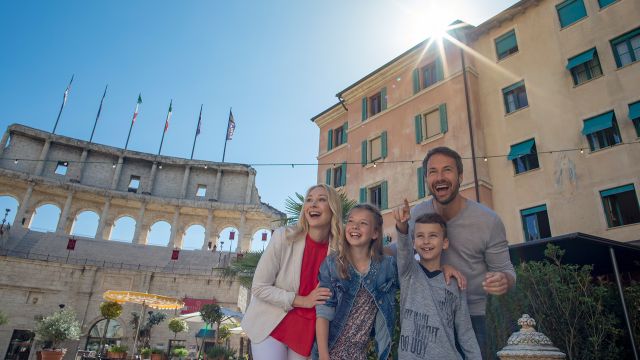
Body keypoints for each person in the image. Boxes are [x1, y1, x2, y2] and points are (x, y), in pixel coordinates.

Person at [391, 146, 516, 358]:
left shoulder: (488, 220)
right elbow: (404, 253)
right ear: (427, 180)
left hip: (476, 316)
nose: (440, 177)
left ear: (460, 176)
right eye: (432, 172)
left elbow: (507, 271)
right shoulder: (417, 215)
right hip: (432, 314)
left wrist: (504, 280)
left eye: (447, 170)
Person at [241, 184, 343, 359]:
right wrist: (304, 300)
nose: (313, 204)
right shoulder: (283, 236)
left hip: (308, 332)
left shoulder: (340, 249)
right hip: (271, 324)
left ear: (333, 208)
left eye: (321, 200)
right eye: (309, 200)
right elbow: (259, 287)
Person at [394, 205, 481, 359]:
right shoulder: (409, 273)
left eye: (433, 235)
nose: (426, 241)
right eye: (420, 236)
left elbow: (465, 332)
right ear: (413, 243)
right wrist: (402, 225)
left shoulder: (455, 283)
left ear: (445, 243)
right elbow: (403, 249)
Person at [314, 204, 397, 360]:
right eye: (351, 221)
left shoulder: (387, 266)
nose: (355, 226)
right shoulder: (332, 264)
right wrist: (324, 356)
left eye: (363, 223)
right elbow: (324, 312)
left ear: (375, 233)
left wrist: (444, 267)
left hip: (359, 354)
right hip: (330, 350)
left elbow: (411, 273)